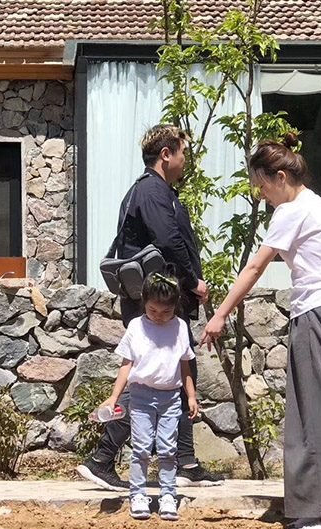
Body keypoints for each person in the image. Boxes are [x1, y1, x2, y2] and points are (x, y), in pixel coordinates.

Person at [201, 134, 321, 529]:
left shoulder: (292, 210)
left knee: (313, 416)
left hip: (318, 315)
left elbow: (255, 268)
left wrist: (220, 313)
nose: (262, 195)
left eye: (262, 186)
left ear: (281, 176)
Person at [76, 124, 221, 491]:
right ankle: (102, 458)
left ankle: (185, 461)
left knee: (177, 372)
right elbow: (170, 243)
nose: (186, 160)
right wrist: (193, 282)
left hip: (161, 304)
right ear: (166, 154)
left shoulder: (153, 191)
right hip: (157, 307)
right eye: (183, 152)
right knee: (150, 379)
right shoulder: (152, 193)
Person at [101, 273, 198, 520]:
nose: (158, 316)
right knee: (142, 448)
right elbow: (126, 364)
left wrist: (191, 396)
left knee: (168, 448)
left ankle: (168, 494)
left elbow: (185, 365)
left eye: (165, 312)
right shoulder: (136, 326)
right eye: (153, 310)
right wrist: (114, 397)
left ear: (175, 307)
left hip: (170, 398)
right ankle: (138, 494)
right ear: (144, 301)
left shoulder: (180, 327)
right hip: (141, 397)